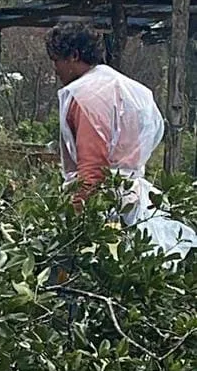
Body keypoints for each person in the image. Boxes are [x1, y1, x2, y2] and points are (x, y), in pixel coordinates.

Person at [46, 22, 196, 259]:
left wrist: (73, 224)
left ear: (73, 56)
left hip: (105, 209)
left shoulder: (86, 97)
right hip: (133, 201)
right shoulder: (123, 88)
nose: (55, 69)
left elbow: (92, 171)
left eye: (56, 60)